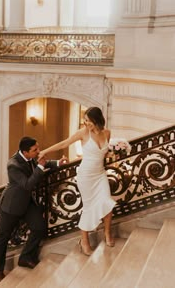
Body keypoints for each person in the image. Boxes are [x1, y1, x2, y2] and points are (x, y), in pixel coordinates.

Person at [38, 106, 116, 256]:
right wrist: (45, 151)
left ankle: (107, 233)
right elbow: (64, 143)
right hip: (86, 176)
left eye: (89, 121)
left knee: (107, 203)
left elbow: (103, 153)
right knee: (87, 208)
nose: (86, 123)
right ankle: (84, 241)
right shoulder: (83, 133)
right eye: (85, 120)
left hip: (100, 175)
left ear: (97, 120)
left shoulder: (107, 133)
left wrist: (112, 155)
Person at [0, 136, 67, 283]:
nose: (38, 151)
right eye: (35, 150)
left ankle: (25, 257)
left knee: (39, 227)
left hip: (27, 203)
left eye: (37, 148)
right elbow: (27, 184)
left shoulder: (29, 157)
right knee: (3, 237)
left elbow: (40, 164)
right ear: (25, 152)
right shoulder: (13, 165)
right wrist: (40, 167)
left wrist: (58, 162)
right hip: (11, 206)